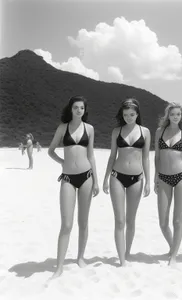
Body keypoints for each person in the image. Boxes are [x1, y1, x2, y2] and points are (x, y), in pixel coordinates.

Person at [48, 95, 99, 279]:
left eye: (82, 108)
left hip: (87, 177)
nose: (79, 110)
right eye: (76, 107)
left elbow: (91, 155)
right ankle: (59, 267)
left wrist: (96, 180)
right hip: (68, 178)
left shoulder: (90, 129)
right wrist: (63, 162)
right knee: (67, 224)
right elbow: (50, 150)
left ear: (85, 111)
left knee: (83, 222)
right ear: (71, 109)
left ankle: (80, 257)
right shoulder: (63, 128)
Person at [102, 98, 151, 266]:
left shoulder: (145, 132)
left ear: (137, 114)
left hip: (137, 179)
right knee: (120, 220)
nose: (129, 117)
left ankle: (127, 252)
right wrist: (106, 178)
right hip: (117, 176)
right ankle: (122, 260)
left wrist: (148, 181)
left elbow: (146, 158)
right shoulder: (117, 131)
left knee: (131, 220)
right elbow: (112, 156)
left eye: (132, 114)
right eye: (125, 115)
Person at [154, 102, 182, 266]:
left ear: (181, 116)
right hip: (163, 178)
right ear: (168, 116)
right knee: (163, 222)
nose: (175, 117)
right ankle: (173, 247)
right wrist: (156, 176)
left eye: (178, 114)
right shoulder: (159, 132)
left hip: (181, 177)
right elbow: (156, 156)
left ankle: (174, 256)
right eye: (172, 114)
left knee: (177, 221)